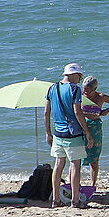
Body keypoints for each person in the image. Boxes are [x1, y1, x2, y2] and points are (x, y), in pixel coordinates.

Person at [42, 64, 89, 206]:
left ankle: (56, 199)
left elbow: (46, 112)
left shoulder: (52, 88)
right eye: (79, 77)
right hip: (72, 133)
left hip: (57, 133)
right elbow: (77, 112)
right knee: (75, 165)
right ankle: (75, 200)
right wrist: (87, 132)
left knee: (58, 164)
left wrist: (48, 132)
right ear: (73, 74)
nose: (79, 80)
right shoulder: (75, 90)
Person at [76, 74, 109, 204]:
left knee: (94, 158)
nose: (85, 93)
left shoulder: (101, 97)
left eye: (88, 91)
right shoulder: (80, 96)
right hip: (82, 127)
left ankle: (92, 185)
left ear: (94, 89)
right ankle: (76, 184)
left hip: (95, 128)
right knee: (78, 157)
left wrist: (107, 111)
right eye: (84, 90)